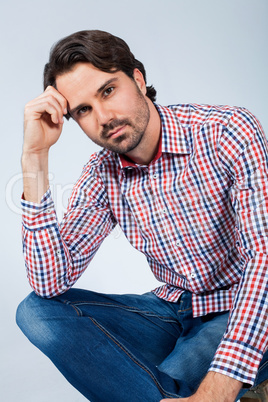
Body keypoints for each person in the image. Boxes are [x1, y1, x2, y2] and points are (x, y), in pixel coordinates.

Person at [16, 30, 268, 402]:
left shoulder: (227, 133)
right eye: (83, 110)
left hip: (240, 307)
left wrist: (215, 391)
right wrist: (34, 156)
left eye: (107, 91)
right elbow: (50, 282)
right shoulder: (102, 174)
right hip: (169, 310)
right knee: (35, 313)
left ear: (137, 79)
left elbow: (263, 260)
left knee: (170, 383)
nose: (103, 117)